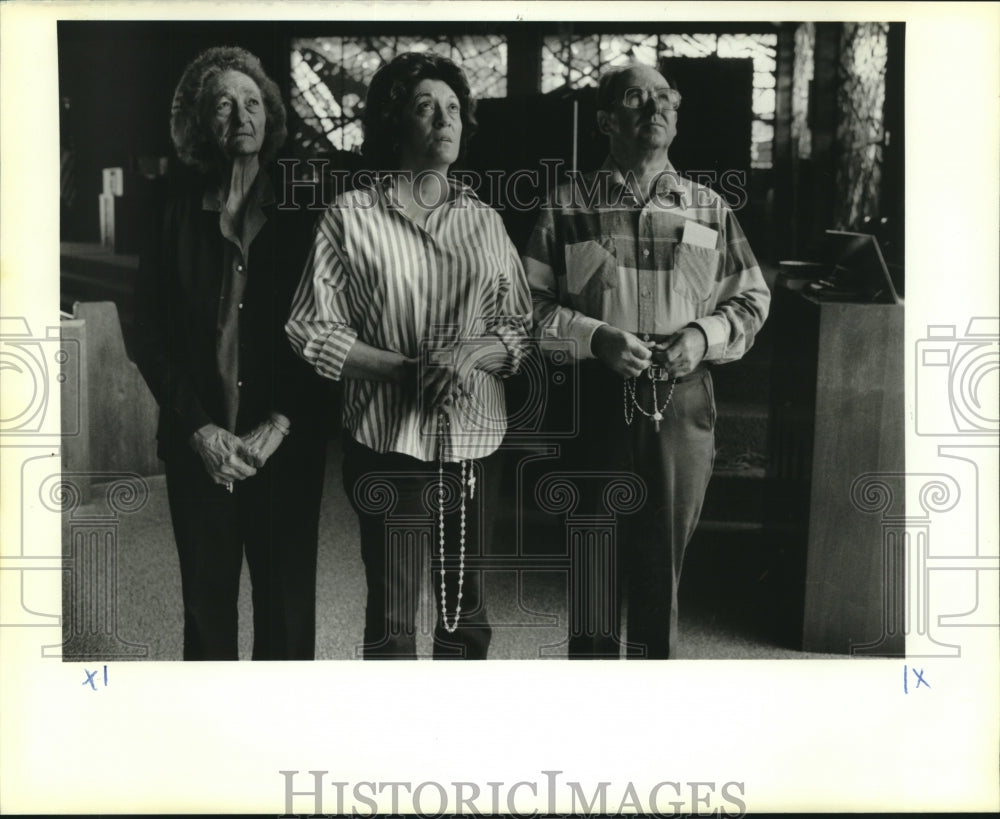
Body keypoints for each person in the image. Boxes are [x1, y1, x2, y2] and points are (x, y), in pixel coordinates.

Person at [286, 51, 531, 659]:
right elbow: (310, 327)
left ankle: (455, 742)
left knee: (464, 614)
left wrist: (470, 355)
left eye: (453, 109)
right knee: (393, 616)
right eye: (426, 107)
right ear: (395, 123)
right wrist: (404, 370)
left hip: (473, 444)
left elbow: (520, 329)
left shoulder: (485, 221)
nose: (444, 120)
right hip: (388, 442)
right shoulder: (350, 216)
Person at [524, 62, 771, 659]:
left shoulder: (707, 211)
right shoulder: (568, 206)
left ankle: (652, 714)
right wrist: (595, 336)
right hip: (592, 401)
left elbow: (752, 297)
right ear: (607, 120)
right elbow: (525, 306)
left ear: (677, 117)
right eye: (636, 98)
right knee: (593, 568)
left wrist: (703, 335)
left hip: (680, 404)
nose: (653, 108)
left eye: (664, 98)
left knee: (662, 569)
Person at [134, 46, 328, 660]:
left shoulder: (306, 213)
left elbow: (327, 327)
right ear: (201, 123)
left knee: (287, 613)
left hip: (285, 445)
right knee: (207, 612)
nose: (240, 114)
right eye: (223, 104)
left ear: (269, 116)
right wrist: (199, 429)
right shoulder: (171, 211)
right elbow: (146, 329)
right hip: (200, 445)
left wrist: (282, 420)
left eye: (251, 102)